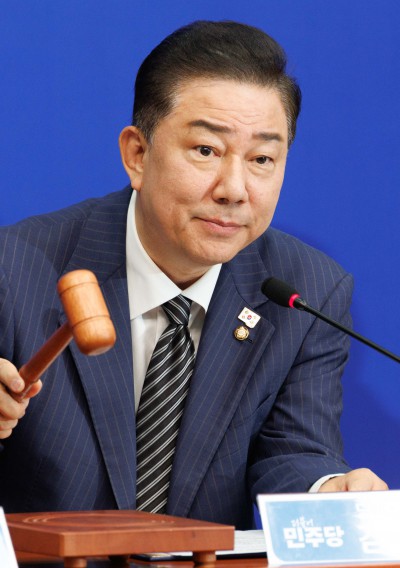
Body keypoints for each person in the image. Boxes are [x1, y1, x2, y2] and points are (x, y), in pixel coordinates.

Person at [0, 20, 386, 529]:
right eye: (206, 150)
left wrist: (326, 490)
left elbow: (293, 451)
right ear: (137, 154)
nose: (234, 189)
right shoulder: (14, 269)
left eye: (262, 158)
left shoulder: (308, 291)